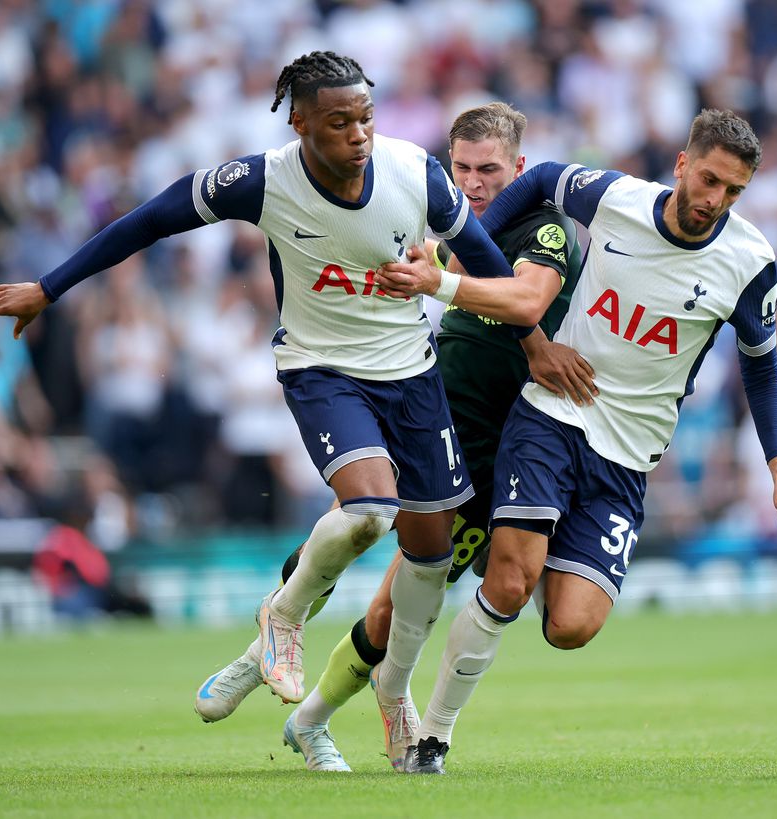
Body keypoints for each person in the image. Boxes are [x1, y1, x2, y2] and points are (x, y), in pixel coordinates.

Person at [0, 51, 528, 770]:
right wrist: (50, 287)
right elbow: (149, 220)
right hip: (323, 370)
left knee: (427, 555)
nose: (359, 134)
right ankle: (285, 616)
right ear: (299, 123)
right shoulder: (262, 181)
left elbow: (491, 270)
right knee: (368, 512)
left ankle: (393, 697)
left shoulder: (416, 174)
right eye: (339, 122)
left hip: (413, 376)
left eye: (365, 117)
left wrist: (538, 346)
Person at [374, 108, 777, 774]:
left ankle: (525, 568)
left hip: (627, 454)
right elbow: (541, 179)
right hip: (551, 416)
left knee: (572, 625)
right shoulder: (615, 198)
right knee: (510, 579)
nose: (714, 200)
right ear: (682, 165)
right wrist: (465, 247)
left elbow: (761, 361)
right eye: (708, 179)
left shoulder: (749, 261)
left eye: (732, 190)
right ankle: (432, 736)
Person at [193, 101, 595, 772]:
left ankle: (310, 714)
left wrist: (438, 280)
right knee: (357, 536)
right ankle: (267, 650)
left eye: (489, 169)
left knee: (392, 611)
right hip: (433, 418)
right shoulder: (435, 224)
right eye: (461, 167)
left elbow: (523, 297)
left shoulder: (546, 231)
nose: (472, 182)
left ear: (519, 168)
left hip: (500, 452)